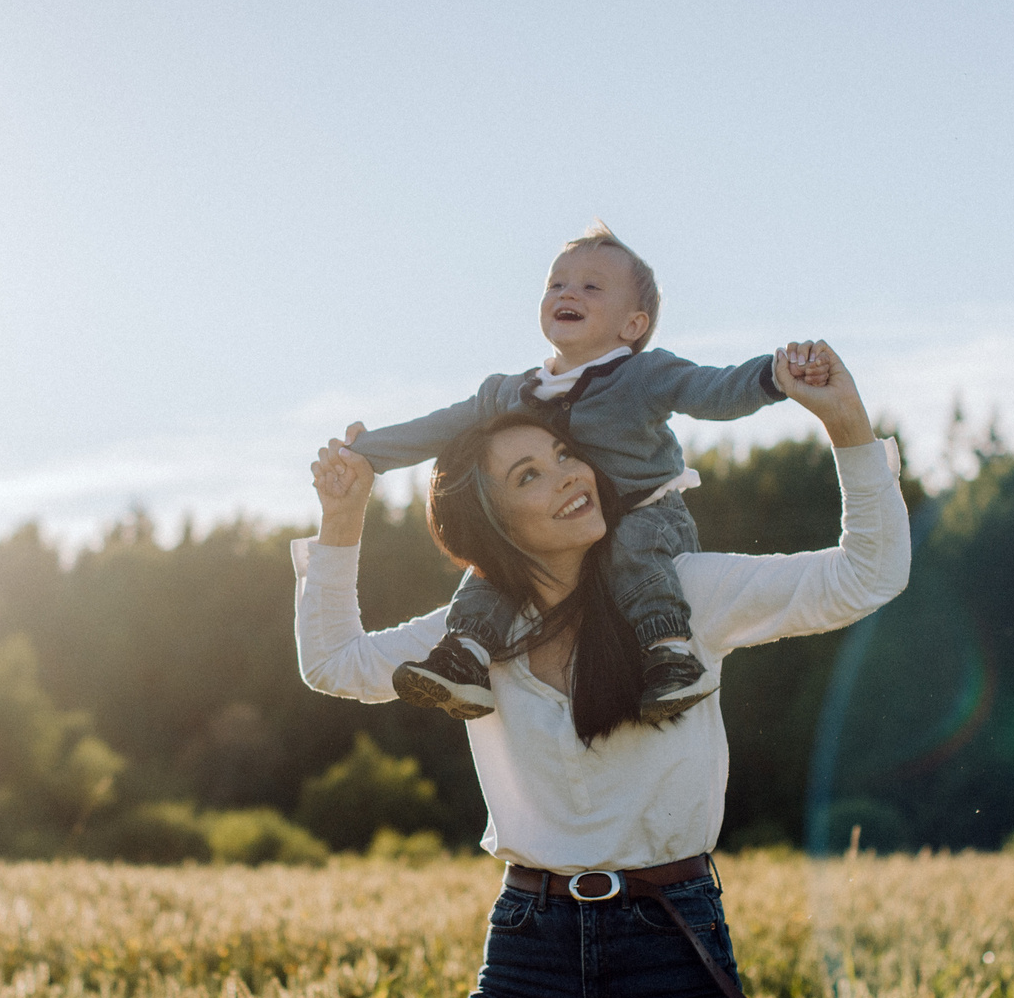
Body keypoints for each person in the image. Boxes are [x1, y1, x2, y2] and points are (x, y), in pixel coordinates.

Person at [294, 339, 907, 998]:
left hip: (674, 946)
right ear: (491, 520)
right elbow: (333, 664)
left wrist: (847, 428)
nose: (571, 475)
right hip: (529, 962)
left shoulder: (684, 595)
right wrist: (342, 521)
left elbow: (867, 574)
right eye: (530, 475)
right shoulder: (470, 641)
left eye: (567, 454)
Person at [342, 222, 810, 728]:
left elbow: (714, 389)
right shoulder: (513, 392)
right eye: (556, 284)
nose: (568, 292)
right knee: (501, 559)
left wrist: (774, 376)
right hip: (566, 527)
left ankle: (672, 655)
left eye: (591, 286)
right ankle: (466, 657)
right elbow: (441, 426)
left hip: (647, 512)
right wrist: (368, 452)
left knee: (633, 548)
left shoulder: (644, 375)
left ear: (632, 326)